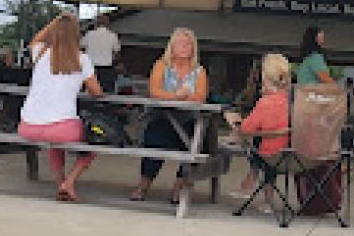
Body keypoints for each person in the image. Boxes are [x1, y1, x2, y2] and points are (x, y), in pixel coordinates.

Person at [19, 11, 104, 203]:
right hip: (61, 128)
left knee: (54, 141)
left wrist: (57, 22)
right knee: (97, 138)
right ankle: (69, 183)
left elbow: (36, 39)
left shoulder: (39, 53)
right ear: (77, 35)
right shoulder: (82, 59)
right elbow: (96, 92)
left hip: (28, 125)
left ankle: (60, 182)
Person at [130, 27, 209, 203]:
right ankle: (143, 185)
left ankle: (179, 188)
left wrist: (187, 97)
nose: (185, 47)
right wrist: (176, 96)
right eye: (181, 43)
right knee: (155, 139)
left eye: (188, 44)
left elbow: (201, 96)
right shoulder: (161, 65)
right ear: (171, 46)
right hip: (161, 116)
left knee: (196, 142)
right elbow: (154, 91)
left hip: (189, 119)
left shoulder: (199, 70)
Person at [227, 53, 292, 209]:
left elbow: (247, 128)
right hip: (292, 153)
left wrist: (233, 121)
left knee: (252, 138)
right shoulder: (291, 100)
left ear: (265, 76)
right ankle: (266, 199)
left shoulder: (265, 102)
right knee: (266, 139)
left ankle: (249, 183)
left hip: (269, 154)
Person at [81, 14, 121, 93]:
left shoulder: (89, 35)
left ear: (96, 23)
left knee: (87, 95)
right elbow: (117, 54)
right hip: (107, 69)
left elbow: (80, 47)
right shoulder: (113, 36)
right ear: (108, 23)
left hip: (90, 69)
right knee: (107, 95)